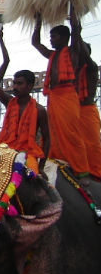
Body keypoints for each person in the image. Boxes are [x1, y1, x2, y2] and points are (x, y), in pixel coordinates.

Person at [32, 12, 89, 177]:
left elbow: (77, 36)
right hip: (53, 96)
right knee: (53, 132)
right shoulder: (52, 55)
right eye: (50, 37)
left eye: (54, 36)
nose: (51, 40)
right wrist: (38, 21)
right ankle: (56, 162)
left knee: (71, 132)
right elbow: (35, 42)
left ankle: (82, 171)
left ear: (65, 38)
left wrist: (75, 24)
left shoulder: (73, 52)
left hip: (68, 95)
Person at [0, 70, 50, 174]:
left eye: (19, 84)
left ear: (30, 86)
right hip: (6, 151)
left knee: (33, 179)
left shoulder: (40, 110)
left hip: (28, 154)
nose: (15, 87)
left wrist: (41, 166)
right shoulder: (9, 102)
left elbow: (46, 139)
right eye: (14, 83)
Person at [77, 42, 101, 180]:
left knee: (91, 148)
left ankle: (97, 178)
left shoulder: (91, 68)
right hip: (71, 113)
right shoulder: (70, 70)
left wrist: (76, 31)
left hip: (87, 113)